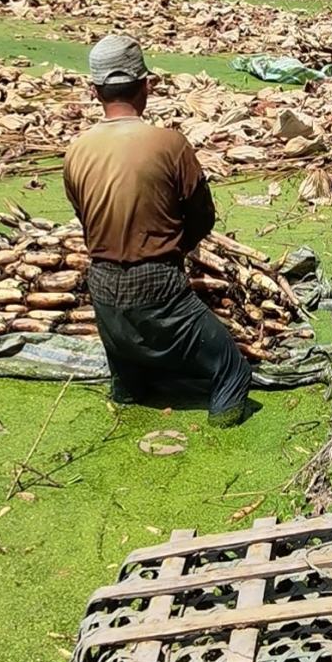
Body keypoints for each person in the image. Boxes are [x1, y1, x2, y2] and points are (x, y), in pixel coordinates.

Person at [63, 33, 251, 426]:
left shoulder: (77, 150)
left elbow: (86, 219)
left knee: (131, 376)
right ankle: (219, 434)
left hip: (101, 292)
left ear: (95, 91)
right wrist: (176, 252)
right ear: (146, 85)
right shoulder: (170, 144)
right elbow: (203, 217)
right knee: (233, 371)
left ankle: (128, 390)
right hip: (158, 289)